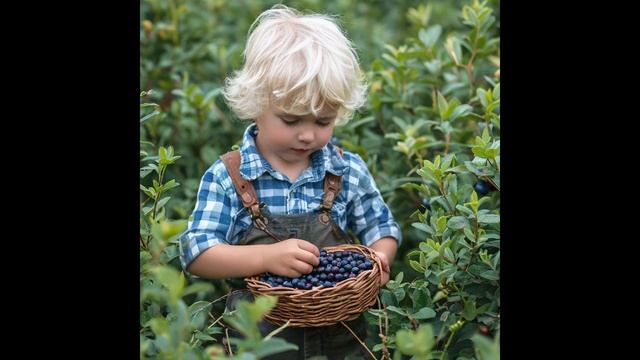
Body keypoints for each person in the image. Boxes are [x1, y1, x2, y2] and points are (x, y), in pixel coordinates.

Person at [179, 4, 401, 359]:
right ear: (255, 104)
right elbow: (197, 254)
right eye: (291, 120)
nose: (308, 135)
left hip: (342, 337)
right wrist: (266, 256)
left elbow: (382, 226)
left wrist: (378, 259)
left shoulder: (346, 170)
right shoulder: (229, 177)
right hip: (259, 344)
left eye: (324, 121)